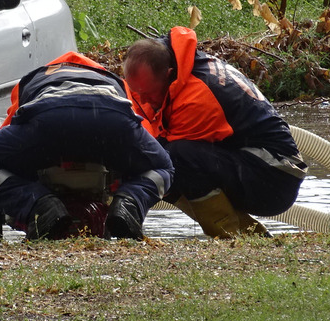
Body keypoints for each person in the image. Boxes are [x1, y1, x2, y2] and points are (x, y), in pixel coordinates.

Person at [0, 51, 174, 240]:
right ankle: (129, 205)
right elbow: (139, 131)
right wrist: (129, 188)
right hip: (110, 117)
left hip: (49, 117)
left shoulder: (31, 82)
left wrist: (23, 194)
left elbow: (9, 129)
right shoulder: (114, 82)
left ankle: (40, 206)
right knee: (164, 167)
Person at [123, 27, 307, 239]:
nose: (143, 101)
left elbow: (157, 157)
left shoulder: (198, 96)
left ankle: (234, 237)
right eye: (136, 93)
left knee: (173, 159)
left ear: (168, 75)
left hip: (275, 179)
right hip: (254, 160)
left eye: (147, 94)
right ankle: (251, 236)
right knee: (167, 163)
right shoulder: (170, 65)